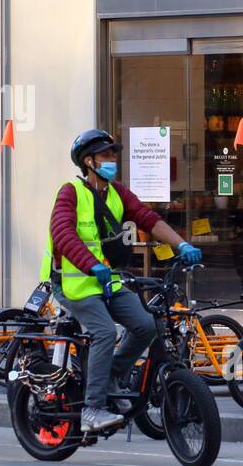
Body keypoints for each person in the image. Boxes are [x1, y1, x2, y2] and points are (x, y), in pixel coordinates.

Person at [41, 128, 203, 433]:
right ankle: (92, 409)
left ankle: (113, 373)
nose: (111, 160)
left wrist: (182, 244)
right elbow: (62, 235)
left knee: (145, 325)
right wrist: (90, 265)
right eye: (105, 156)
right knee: (103, 332)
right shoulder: (70, 193)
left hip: (107, 282)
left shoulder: (117, 193)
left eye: (113, 155)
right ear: (88, 161)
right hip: (74, 283)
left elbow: (148, 219)